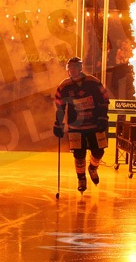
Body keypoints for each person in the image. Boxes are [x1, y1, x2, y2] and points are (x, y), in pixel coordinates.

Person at [53, 57, 109, 193]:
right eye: (70, 68)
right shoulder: (64, 86)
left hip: (94, 125)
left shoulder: (93, 82)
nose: (72, 70)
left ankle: (93, 168)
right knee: (79, 155)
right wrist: (58, 124)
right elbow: (60, 107)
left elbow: (104, 100)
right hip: (75, 127)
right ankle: (81, 179)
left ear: (80, 68)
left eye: (75, 67)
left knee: (99, 152)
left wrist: (103, 118)